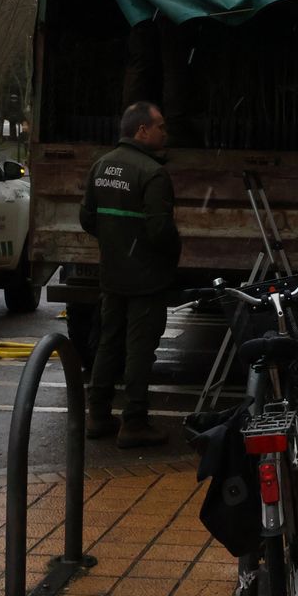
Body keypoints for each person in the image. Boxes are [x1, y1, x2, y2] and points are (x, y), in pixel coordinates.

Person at [80, 101, 181, 448]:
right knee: (140, 348)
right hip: (146, 278)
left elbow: (87, 219)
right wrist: (170, 257)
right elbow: (160, 231)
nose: (164, 133)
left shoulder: (100, 166)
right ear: (142, 131)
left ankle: (97, 414)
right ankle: (134, 421)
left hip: (112, 273)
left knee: (109, 342)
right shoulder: (152, 173)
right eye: (160, 127)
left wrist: (115, 245)